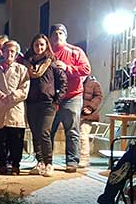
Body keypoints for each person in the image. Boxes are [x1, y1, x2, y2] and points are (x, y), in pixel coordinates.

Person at [23, 34, 68, 177]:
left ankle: (49, 163)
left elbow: (63, 82)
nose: (39, 47)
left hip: (48, 103)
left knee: (44, 132)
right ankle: (40, 162)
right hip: (31, 103)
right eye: (36, 44)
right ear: (32, 46)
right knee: (35, 133)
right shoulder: (27, 64)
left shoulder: (52, 63)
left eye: (42, 44)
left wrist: (57, 100)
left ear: (46, 46)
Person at [0, 40, 30, 175]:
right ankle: (2, 163)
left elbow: (24, 89)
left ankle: (15, 165)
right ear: (2, 52)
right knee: (0, 139)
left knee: (16, 139)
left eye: (12, 51)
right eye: (6, 51)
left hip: (14, 108)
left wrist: (11, 96)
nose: (9, 54)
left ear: (16, 54)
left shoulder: (22, 70)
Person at [49, 24, 91, 172]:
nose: (57, 36)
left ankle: (72, 161)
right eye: (54, 33)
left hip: (72, 96)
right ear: (50, 37)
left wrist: (67, 67)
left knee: (72, 130)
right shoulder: (47, 52)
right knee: (48, 131)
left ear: (65, 35)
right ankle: (47, 162)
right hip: (52, 98)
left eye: (60, 33)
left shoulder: (75, 51)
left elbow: (86, 69)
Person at [80, 75, 103, 168]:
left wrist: (90, 107)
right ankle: (75, 158)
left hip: (87, 115)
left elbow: (98, 97)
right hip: (76, 113)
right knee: (75, 136)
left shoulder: (93, 83)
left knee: (83, 135)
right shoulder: (74, 82)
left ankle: (84, 159)